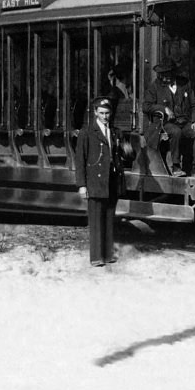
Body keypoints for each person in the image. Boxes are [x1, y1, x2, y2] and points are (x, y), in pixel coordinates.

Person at [75, 97, 123, 267]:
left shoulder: (115, 132)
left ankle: (108, 255)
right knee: (96, 220)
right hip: (95, 181)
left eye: (107, 113)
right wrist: (82, 185)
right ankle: (96, 257)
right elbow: (80, 160)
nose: (105, 116)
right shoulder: (87, 132)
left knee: (109, 219)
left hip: (111, 180)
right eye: (101, 113)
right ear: (95, 113)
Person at [142, 58, 195, 176]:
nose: (164, 78)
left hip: (184, 122)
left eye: (167, 75)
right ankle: (176, 166)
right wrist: (163, 109)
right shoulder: (155, 86)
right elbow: (146, 106)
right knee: (176, 132)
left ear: (174, 73)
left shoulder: (185, 84)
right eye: (161, 75)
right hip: (164, 124)